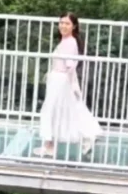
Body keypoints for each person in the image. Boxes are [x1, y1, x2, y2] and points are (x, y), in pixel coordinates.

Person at [36, 12, 100, 158]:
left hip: (60, 80)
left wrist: (71, 83)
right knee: (64, 110)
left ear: (74, 26)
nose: (63, 26)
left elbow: (70, 65)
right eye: (61, 22)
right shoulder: (67, 41)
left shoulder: (70, 42)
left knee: (52, 111)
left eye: (67, 23)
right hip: (59, 79)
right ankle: (51, 144)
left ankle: (50, 144)